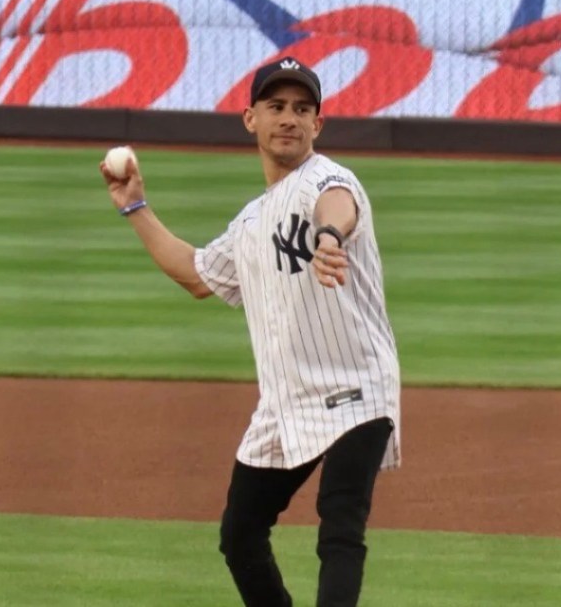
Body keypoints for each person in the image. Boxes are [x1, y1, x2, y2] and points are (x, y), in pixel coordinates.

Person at [99, 56, 401, 607]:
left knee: (339, 523)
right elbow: (196, 276)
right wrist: (136, 208)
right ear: (250, 119)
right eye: (277, 106)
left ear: (318, 125)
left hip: (357, 389)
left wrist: (329, 237)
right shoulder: (250, 223)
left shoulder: (327, 179)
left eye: (303, 109)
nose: (290, 118)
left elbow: (340, 205)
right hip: (284, 403)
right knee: (239, 535)